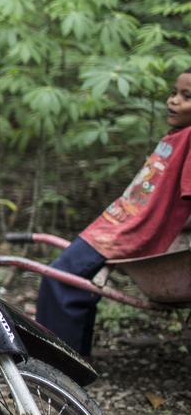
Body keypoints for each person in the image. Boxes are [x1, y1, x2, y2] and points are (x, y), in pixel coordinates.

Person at [36, 67, 191, 356]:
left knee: (60, 280)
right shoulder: (178, 136)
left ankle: (57, 365)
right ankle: (72, 362)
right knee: (72, 284)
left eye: (187, 96)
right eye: (173, 93)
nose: (174, 101)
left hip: (130, 233)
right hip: (115, 227)